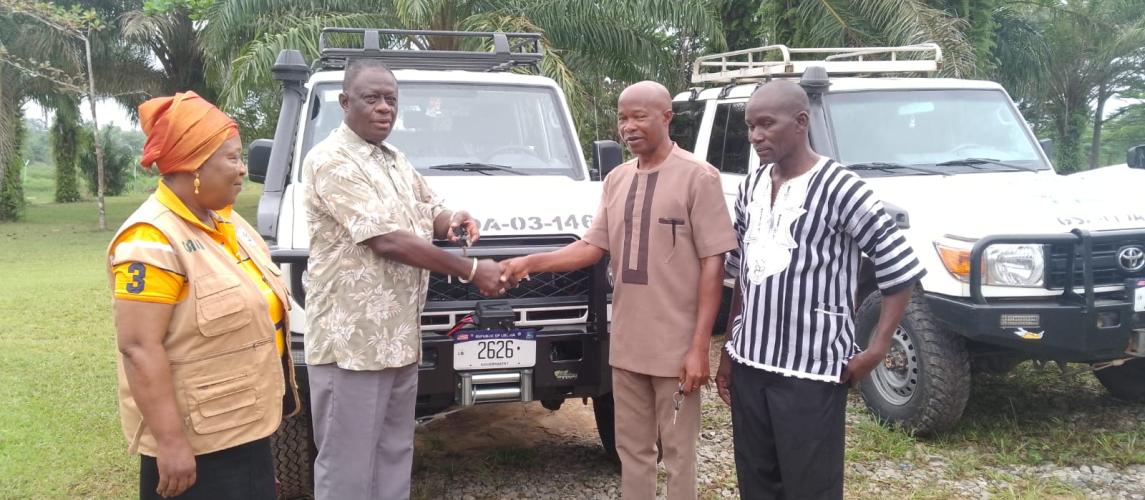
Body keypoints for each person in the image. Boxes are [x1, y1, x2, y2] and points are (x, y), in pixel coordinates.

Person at [500, 81, 736, 500]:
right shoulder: (616, 179)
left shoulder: (699, 177)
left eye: (639, 116)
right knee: (632, 448)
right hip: (627, 342)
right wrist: (530, 263)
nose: (628, 126)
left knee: (679, 450)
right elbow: (592, 248)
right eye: (623, 117)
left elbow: (713, 265)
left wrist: (701, 346)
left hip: (676, 346)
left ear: (666, 117)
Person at [714, 81, 927, 499]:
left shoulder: (841, 187)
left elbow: (899, 269)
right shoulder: (750, 186)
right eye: (750, 126)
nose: (756, 136)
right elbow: (741, 271)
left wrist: (877, 349)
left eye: (766, 124)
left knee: (810, 485)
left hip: (811, 371)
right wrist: (728, 348)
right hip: (751, 362)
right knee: (756, 479)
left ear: (800, 122)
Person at [302, 58, 503, 500]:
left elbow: (426, 209)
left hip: (398, 338)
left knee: (395, 451)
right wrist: (471, 270)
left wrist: (451, 218)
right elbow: (387, 240)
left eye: (390, 99)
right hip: (352, 344)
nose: (383, 108)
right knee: (347, 464)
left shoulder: (394, 158)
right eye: (371, 98)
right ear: (344, 102)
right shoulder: (331, 161)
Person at [108, 91, 299, 499]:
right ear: (193, 165)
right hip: (198, 443)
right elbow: (140, 348)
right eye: (231, 158)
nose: (243, 169)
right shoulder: (151, 239)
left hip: (242, 424)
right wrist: (171, 443)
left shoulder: (229, 224)